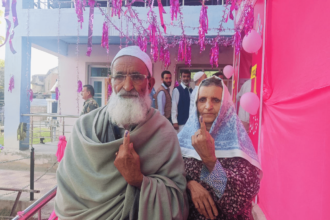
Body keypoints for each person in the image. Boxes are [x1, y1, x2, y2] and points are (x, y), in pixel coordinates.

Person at [54, 46, 188, 220]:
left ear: (150, 83)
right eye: (119, 77)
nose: (127, 85)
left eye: (137, 77)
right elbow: (67, 190)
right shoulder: (84, 128)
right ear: (111, 83)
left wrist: (138, 180)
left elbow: (176, 199)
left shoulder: (164, 132)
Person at [178, 76, 261, 220]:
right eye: (202, 99)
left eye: (216, 100)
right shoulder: (184, 140)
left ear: (226, 105)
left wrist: (210, 161)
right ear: (195, 104)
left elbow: (235, 203)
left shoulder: (239, 144)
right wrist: (189, 185)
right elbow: (170, 176)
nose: (208, 106)